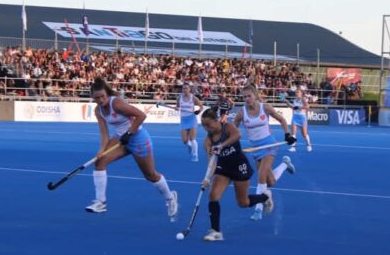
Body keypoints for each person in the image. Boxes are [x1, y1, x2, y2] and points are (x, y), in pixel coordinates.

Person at [86, 77, 178, 219]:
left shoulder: (116, 103)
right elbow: (104, 132)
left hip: (138, 138)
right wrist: (101, 149)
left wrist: (129, 132)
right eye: (97, 98)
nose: (100, 100)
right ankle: (100, 202)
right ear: (93, 97)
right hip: (120, 139)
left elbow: (141, 115)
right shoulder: (98, 111)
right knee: (100, 161)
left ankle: (170, 197)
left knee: (150, 175)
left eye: (102, 96)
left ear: (107, 94)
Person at [200, 109, 272, 241]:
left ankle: (264, 197)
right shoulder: (208, 141)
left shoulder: (227, 127)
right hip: (223, 169)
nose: (206, 128)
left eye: (208, 124)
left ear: (216, 121)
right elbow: (211, 162)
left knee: (243, 203)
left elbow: (237, 135)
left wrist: (222, 145)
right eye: (203, 125)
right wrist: (207, 178)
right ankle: (216, 231)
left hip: (239, 167)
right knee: (213, 195)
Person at [233, 84, 296, 221]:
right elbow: (233, 129)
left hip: (269, 145)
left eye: (249, 96)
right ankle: (285, 164)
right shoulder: (241, 112)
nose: (247, 99)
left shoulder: (265, 107)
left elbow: (282, 119)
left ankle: (258, 209)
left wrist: (287, 134)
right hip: (255, 149)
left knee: (261, 176)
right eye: (244, 97)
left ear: (255, 95)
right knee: (270, 181)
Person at [177, 83, 204, 162]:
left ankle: (195, 155)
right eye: (183, 88)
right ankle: (190, 146)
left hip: (192, 118)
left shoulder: (193, 98)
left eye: (186, 88)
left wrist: (198, 111)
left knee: (192, 138)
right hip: (183, 119)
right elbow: (178, 106)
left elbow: (201, 106)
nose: (185, 90)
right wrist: (176, 108)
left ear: (189, 89)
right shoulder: (179, 98)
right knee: (185, 141)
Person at [288, 87, 312, 152]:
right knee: (293, 133)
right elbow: (293, 108)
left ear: (301, 93)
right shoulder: (294, 100)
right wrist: (287, 103)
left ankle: (308, 145)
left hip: (302, 117)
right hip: (295, 117)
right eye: (296, 92)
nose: (297, 93)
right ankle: (293, 147)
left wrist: (299, 107)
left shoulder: (303, 99)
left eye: (298, 92)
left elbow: (307, 106)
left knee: (304, 134)